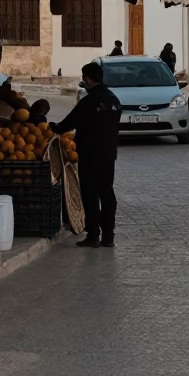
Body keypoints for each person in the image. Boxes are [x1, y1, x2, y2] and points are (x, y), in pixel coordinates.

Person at [52, 61, 121, 248]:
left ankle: (93, 236)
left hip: (89, 154)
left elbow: (66, 124)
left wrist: (53, 127)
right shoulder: (114, 100)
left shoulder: (88, 101)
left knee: (90, 193)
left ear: (89, 79)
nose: (84, 81)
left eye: (84, 78)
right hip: (108, 155)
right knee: (106, 192)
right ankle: (108, 236)